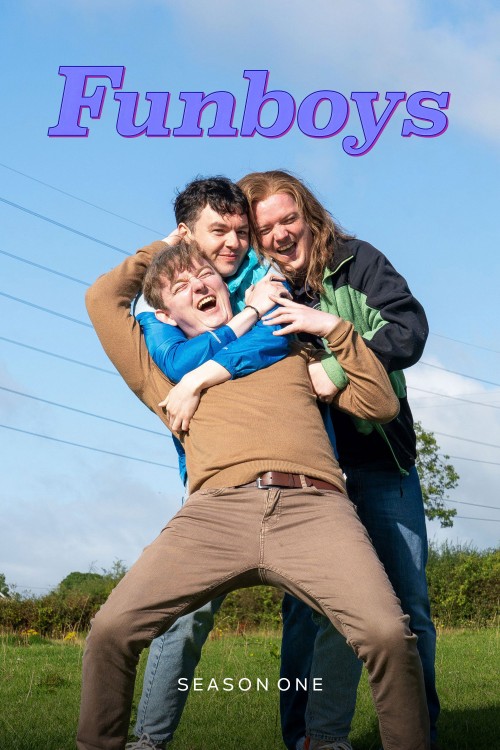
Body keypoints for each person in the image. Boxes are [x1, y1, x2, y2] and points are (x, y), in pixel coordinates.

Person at [79, 238, 430, 750]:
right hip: (213, 515)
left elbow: (379, 404)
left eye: (205, 275)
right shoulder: (163, 375)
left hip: (314, 509)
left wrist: (335, 331)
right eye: (181, 286)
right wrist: (174, 245)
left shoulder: (288, 345)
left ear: (228, 286)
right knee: (111, 630)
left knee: (388, 636)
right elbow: (101, 299)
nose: (199, 285)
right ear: (165, 313)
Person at [237, 169, 439, 750]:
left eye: (289, 219)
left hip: (381, 460)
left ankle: (420, 731)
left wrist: (334, 368)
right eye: (265, 228)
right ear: (253, 237)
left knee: (407, 604)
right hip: (309, 472)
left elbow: (408, 330)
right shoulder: (254, 290)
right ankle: (305, 738)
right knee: (306, 612)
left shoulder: (357, 261)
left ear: (309, 214)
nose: (281, 234)